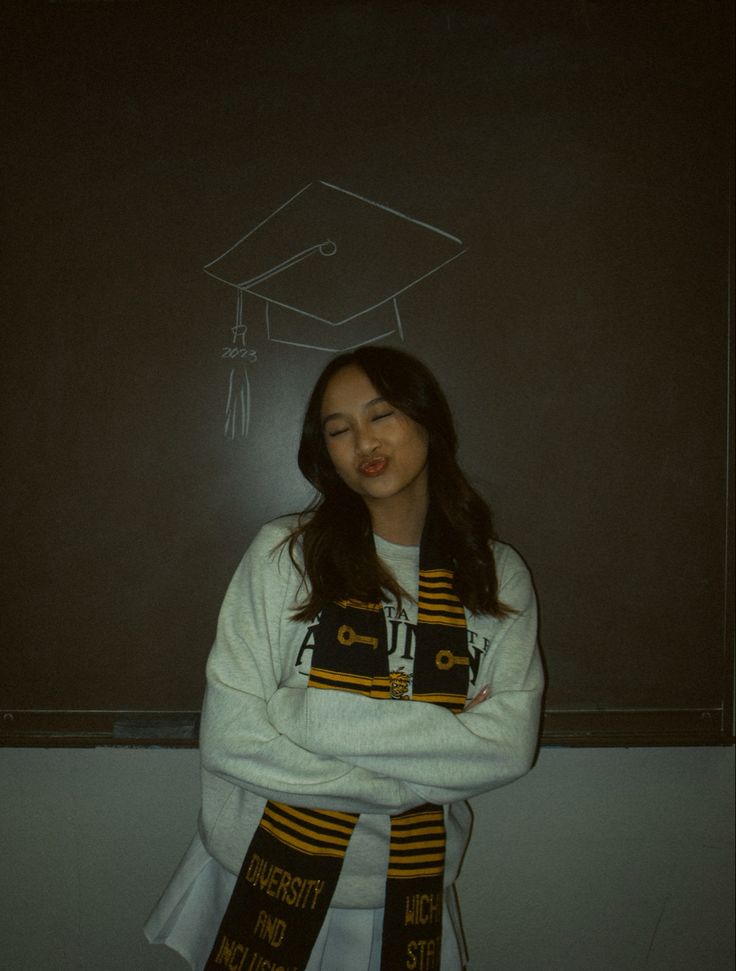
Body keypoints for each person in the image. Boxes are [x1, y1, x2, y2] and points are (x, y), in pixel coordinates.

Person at [145, 346, 544, 971]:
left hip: (403, 891)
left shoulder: (495, 577)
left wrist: (305, 716)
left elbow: (507, 747)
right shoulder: (287, 555)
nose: (363, 441)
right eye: (339, 429)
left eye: (381, 415)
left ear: (427, 421)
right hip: (260, 873)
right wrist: (415, 771)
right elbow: (229, 739)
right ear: (323, 450)